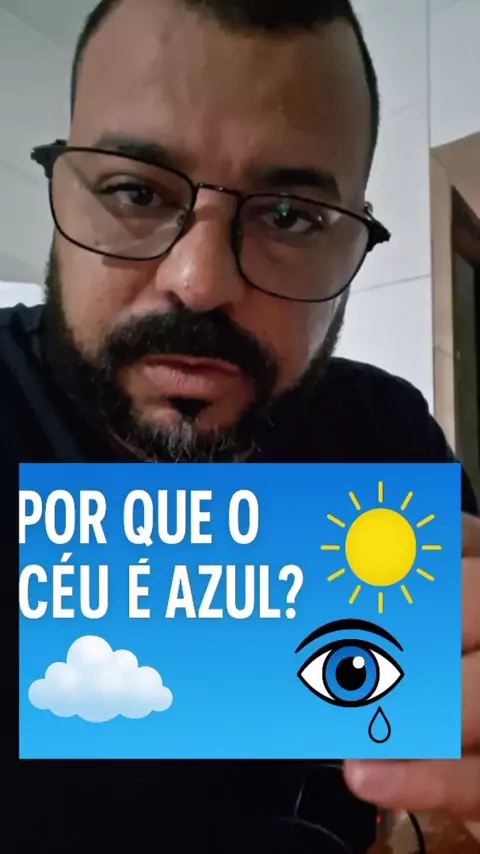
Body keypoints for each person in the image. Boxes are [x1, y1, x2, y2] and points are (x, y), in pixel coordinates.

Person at [3, 0, 479, 849]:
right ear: (58, 186)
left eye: (289, 216)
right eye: (134, 191)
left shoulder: (386, 432)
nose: (200, 282)